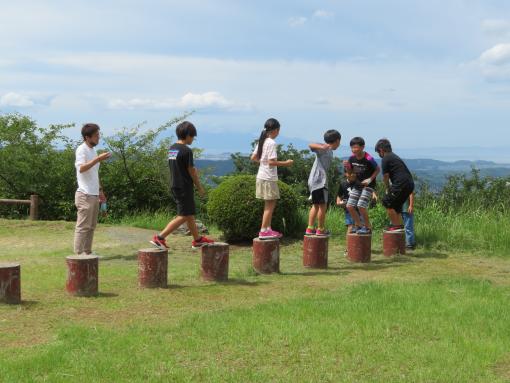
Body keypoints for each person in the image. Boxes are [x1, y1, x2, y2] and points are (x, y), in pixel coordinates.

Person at [150, 121, 214, 250]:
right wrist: (199, 187)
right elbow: (192, 171)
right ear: (188, 135)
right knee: (183, 215)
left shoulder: (172, 148)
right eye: (193, 136)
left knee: (189, 214)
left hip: (175, 184)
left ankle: (197, 240)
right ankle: (160, 238)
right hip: (184, 186)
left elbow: (176, 166)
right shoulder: (187, 150)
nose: (193, 139)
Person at [251, 118, 294, 239]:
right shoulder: (271, 143)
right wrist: (286, 163)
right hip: (269, 177)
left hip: (261, 176)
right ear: (276, 130)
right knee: (270, 205)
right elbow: (271, 162)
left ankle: (267, 229)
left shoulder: (262, 141)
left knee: (267, 204)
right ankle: (264, 231)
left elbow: (253, 158)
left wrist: (262, 162)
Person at [74, 123, 111, 255]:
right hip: (84, 194)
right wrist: (98, 159)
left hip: (94, 194)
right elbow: (82, 168)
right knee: (83, 227)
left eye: (98, 135)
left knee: (91, 227)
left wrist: (101, 192)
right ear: (87, 137)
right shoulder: (81, 149)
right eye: (96, 135)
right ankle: (78, 256)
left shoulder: (93, 150)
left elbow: (94, 174)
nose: (98, 138)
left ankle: (87, 253)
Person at [305, 130, 342, 236]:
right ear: (337, 141)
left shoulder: (329, 150)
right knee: (322, 206)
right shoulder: (325, 148)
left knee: (316, 205)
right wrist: (322, 147)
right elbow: (311, 145)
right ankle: (320, 229)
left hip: (315, 180)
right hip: (319, 181)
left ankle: (310, 228)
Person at [375, 138, 415, 231]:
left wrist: (387, 188)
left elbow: (385, 176)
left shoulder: (386, 158)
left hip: (402, 184)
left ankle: (396, 226)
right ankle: (399, 226)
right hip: (409, 184)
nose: (379, 155)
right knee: (396, 206)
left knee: (387, 201)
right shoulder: (393, 156)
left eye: (378, 152)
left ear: (381, 150)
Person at [344, 137, 380, 235]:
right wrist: (347, 167)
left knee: (361, 206)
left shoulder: (368, 158)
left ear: (362, 147)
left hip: (368, 185)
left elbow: (377, 169)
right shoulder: (351, 158)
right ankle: (359, 225)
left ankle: (367, 227)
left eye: (356, 147)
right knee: (350, 206)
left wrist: (370, 179)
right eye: (352, 147)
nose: (354, 150)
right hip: (357, 185)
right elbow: (350, 173)